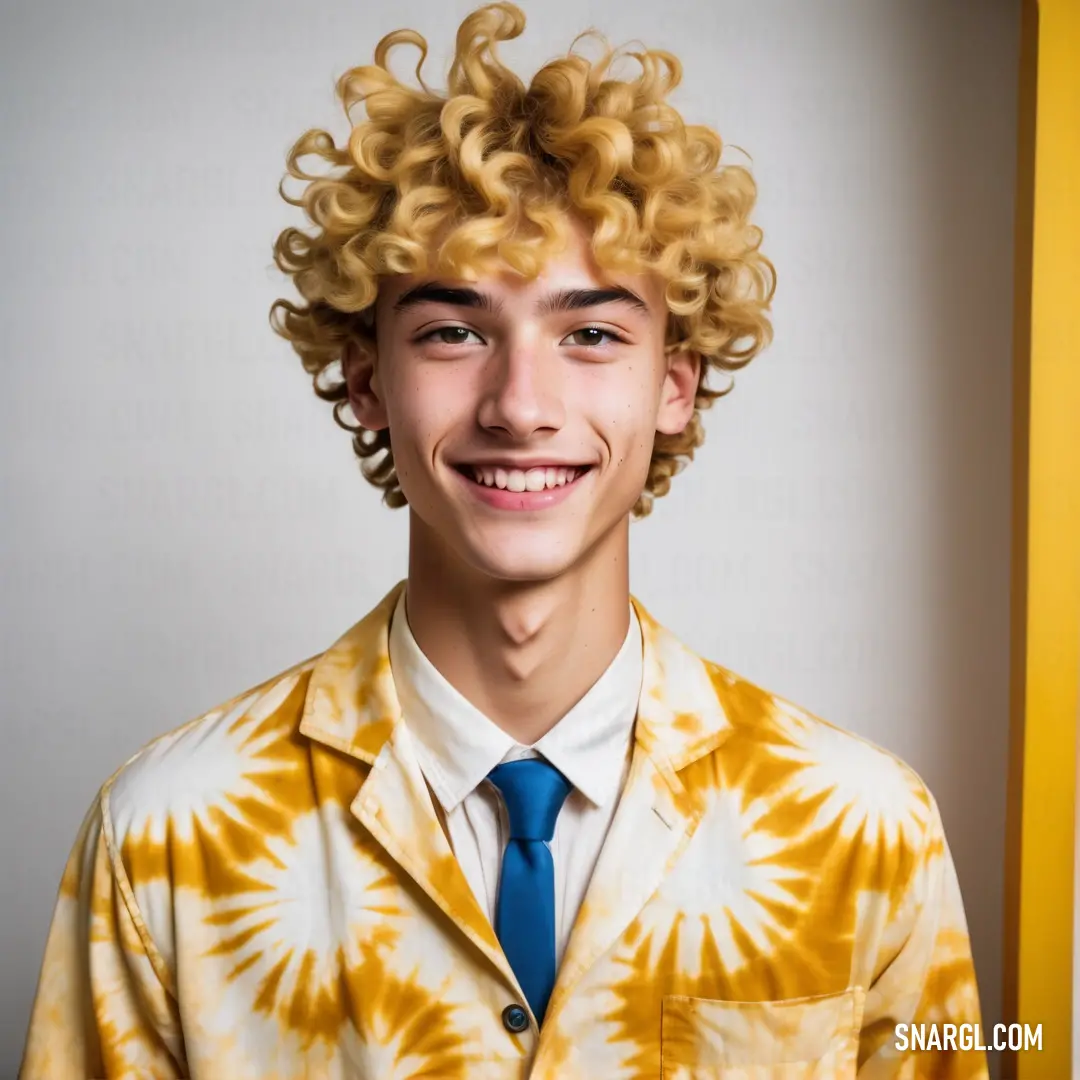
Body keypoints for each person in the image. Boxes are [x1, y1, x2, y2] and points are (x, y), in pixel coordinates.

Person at [20, 3, 988, 1078]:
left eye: (591, 334)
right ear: (365, 381)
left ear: (675, 385)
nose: (521, 405)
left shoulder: (867, 832)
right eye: (453, 332)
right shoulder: (163, 841)